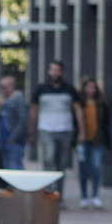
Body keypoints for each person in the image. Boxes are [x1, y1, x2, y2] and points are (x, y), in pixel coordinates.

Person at [29, 60, 84, 206]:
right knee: (48, 157)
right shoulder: (41, 89)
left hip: (65, 130)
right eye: (52, 70)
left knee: (61, 164)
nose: (55, 73)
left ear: (62, 72)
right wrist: (31, 131)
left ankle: (59, 196)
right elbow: (33, 110)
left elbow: (78, 110)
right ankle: (47, 192)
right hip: (46, 129)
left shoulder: (69, 89)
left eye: (57, 70)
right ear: (48, 72)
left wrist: (82, 131)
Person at [76, 77, 112, 208]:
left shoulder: (101, 103)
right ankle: (84, 196)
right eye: (88, 87)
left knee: (96, 167)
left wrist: (108, 141)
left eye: (93, 87)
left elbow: (106, 123)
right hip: (83, 140)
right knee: (84, 168)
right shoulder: (79, 103)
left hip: (97, 140)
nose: (91, 90)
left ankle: (95, 195)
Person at [0, 75, 28, 170]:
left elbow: (23, 121)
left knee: (15, 167)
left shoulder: (18, 99)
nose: (1, 91)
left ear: (11, 86)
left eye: (3, 87)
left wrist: (13, 137)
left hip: (13, 140)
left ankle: (17, 185)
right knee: (7, 168)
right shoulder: (5, 100)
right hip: (3, 139)